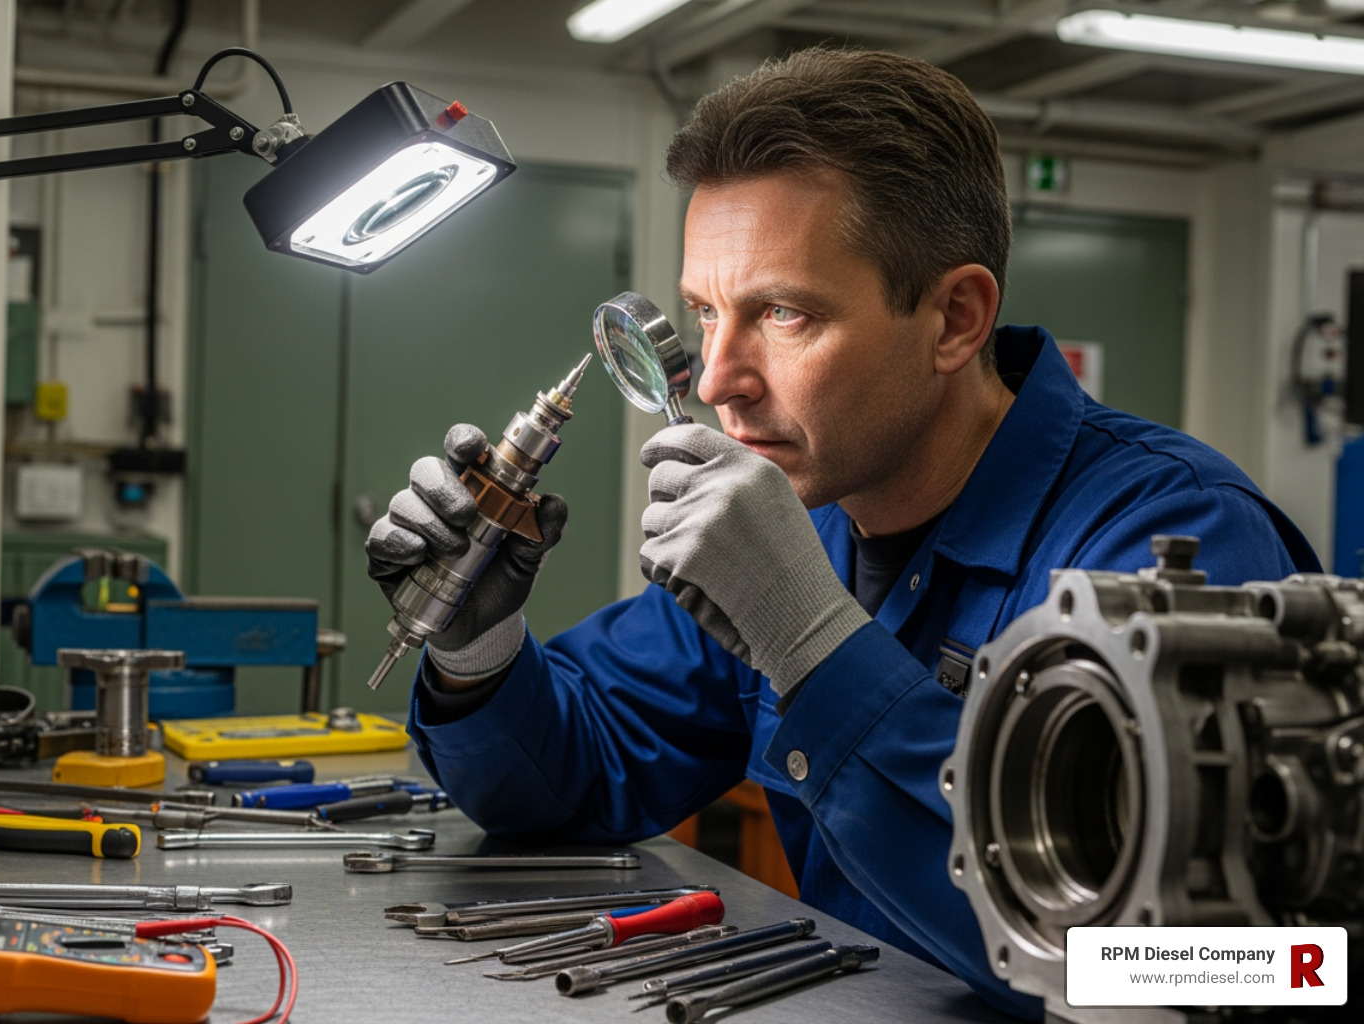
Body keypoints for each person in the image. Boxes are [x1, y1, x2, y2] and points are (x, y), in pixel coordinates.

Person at [365, 48, 1319, 1018]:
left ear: (955, 317)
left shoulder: (1174, 538)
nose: (719, 378)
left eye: (782, 312)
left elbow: (1242, 975)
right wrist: (478, 646)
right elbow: (578, 772)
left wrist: (814, 644)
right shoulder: (805, 519)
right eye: (705, 312)